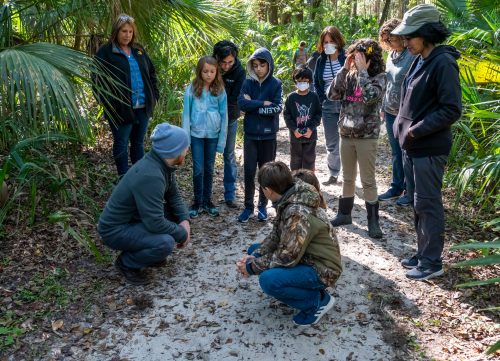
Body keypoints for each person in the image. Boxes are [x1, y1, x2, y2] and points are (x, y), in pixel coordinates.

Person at [391, 4, 462, 280]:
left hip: (428, 148)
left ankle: (432, 262)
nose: (405, 41)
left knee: (428, 203)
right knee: (417, 202)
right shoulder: (420, 59)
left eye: (410, 36)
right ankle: (422, 253)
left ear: (427, 34)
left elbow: (451, 109)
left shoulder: (443, 62)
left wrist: (415, 131)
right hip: (413, 148)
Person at [236, 161, 342, 326]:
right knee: (254, 249)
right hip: (306, 256)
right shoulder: (289, 196)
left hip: (322, 268)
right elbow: (276, 235)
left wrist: (251, 267)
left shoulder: (296, 212)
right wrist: (255, 256)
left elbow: (287, 257)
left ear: (268, 190)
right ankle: (301, 289)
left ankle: (316, 302)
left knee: (268, 280)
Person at [97, 123, 191, 285]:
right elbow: (155, 223)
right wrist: (181, 234)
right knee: (166, 242)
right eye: (185, 147)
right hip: (115, 231)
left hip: (134, 220)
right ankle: (126, 263)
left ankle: (148, 255)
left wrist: (184, 221)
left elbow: (174, 196)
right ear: (174, 151)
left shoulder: (162, 164)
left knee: (174, 215)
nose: (187, 150)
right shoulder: (151, 175)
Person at [327, 38, 387, 239]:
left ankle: (373, 222)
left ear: (370, 59)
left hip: (367, 136)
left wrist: (363, 72)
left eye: (360, 58)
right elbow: (332, 94)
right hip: (346, 134)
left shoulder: (380, 77)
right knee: (348, 178)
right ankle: (344, 214)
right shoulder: (349, 75)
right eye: (354, 57)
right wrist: (344, 70)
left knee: (368, 180)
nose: (355, 61)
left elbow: (371, 97)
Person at [94, 14, 159, 177]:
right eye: (124, 31)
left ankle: (138, 178)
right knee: (121, 143)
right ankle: (123, 178)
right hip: (120, 109)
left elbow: (151, 73)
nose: (127, 35)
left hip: (142, 107)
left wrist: (154, 95)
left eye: (130, 31)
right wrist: (108, 104)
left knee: (138, 143)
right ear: (116, 31)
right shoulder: (106, 52)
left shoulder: (139, 50)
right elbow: (96, 80)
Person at [237, 47, 283, 223]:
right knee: (249, 171)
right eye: (255, 65)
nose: (258, 69)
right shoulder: (247, 83)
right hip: (250, 136)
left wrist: (254, 106)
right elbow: (242, 104)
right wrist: (263, 103)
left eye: (262, 65)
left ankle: (262, 206)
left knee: (266, 174)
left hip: (268, 136)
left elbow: (277, 108)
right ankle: (248, 207)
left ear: (268, 65)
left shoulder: (276, 84)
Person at [182, 56, 228, 218]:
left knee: (209, 168)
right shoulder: (192, 89)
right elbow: (186, 115)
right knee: (198, 169)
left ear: (216, 72)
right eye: (205, 71)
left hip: (213, 135)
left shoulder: (220, 90)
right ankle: (197, 201)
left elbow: (224, 116)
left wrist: (222, 141)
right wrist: (185, 139)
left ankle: (207, 201)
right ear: (199, 72)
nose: (209, 75)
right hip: (196, 135)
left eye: (212, 71)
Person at [377, 19, 416, 206]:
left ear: (400, 35)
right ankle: (396, 186)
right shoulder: (391, 55)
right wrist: (382, 108)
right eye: (385, 39)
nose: (388, 42)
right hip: (390, 110)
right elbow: (387, 82)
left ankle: (410, 190)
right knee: (395, 152)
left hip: (407, 113)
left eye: (390, 38)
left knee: (407, 152)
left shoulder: (412, 54)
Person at [212, 41, 246, 209]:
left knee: (229, 155)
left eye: (230, 62)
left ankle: (230, 194)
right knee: (208, 157)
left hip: (230, 117)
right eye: (223, 62)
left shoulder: (239, 71)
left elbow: (235, 98)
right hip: (209, 119)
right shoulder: (210, 66)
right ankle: (204, 195)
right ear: (216, 58)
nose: (226, 66)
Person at [313, 26, 347, 186]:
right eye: (325, 42)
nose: (328, 45)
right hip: (328, 105)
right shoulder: (321, 60)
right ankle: (333, 173)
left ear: (338, 41)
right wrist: (322, 100)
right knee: (331, 142)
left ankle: (349, 175)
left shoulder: (346, 57)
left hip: (347, 105)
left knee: (347, 140)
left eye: (331, 41)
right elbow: (316, 82)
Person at [284, 66, 321, 171]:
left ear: (309, 81)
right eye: (299, 81)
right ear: (295, 81)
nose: (302, 83)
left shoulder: (314, 97)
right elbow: (286, 115)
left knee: (309, 160)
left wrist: (311, 128)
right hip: (295, 136)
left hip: (310, 135)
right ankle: (295, 183)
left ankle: (309, 183)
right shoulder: (291, 97)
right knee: (295, 161)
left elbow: (318, 114)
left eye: (305, 81)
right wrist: (294, 129)